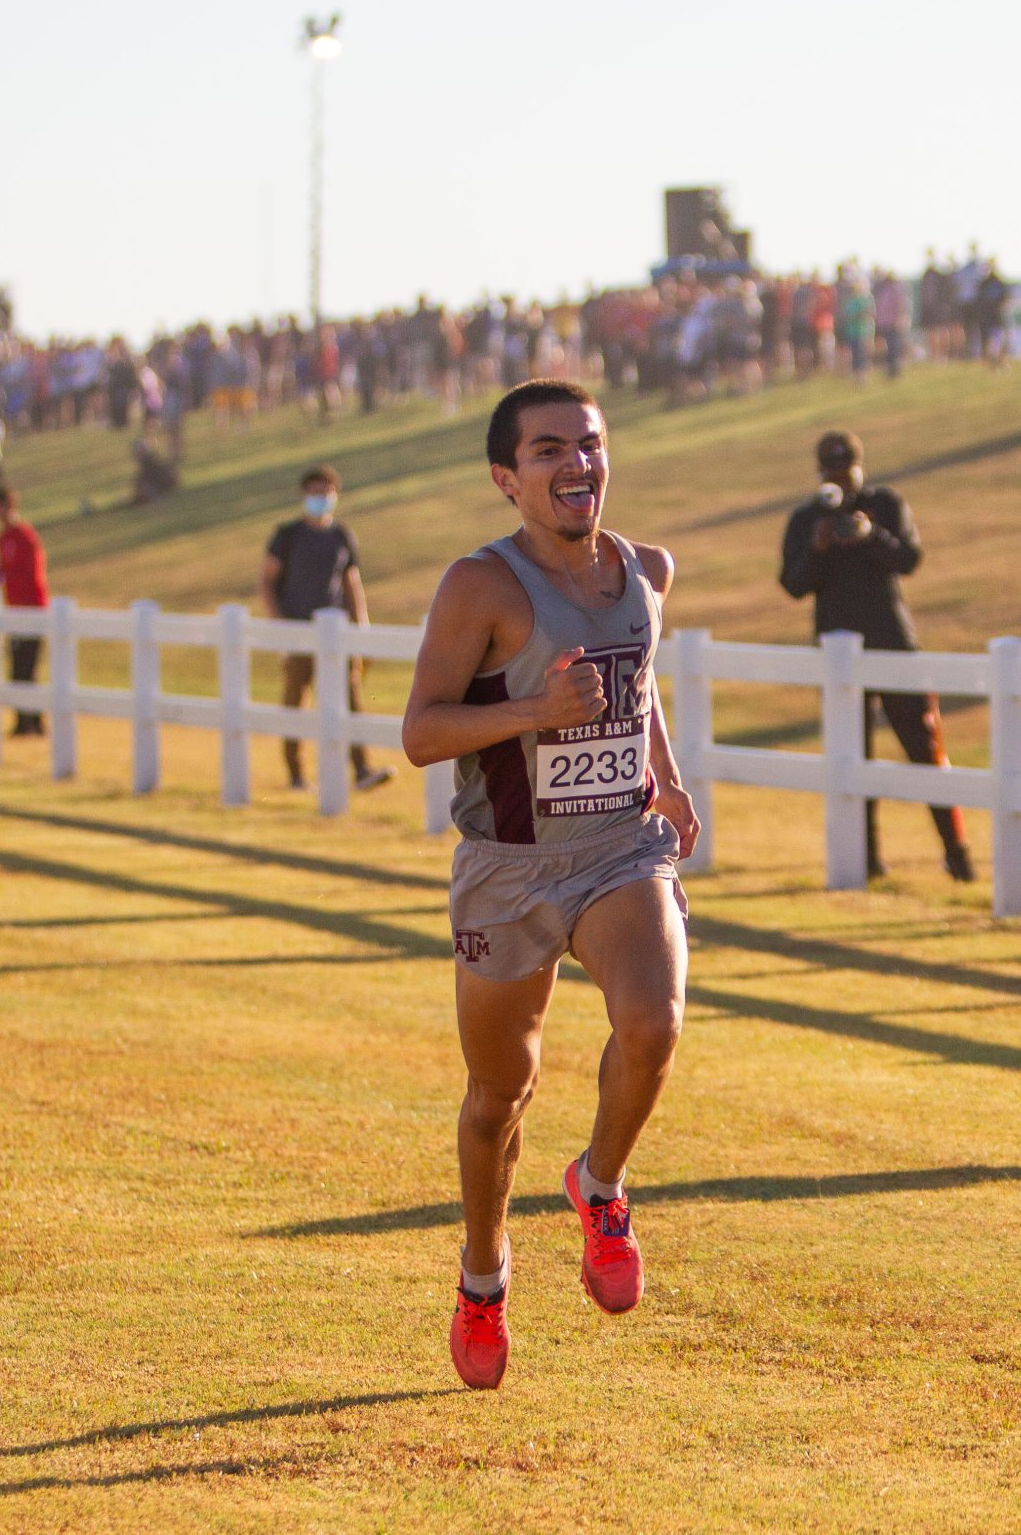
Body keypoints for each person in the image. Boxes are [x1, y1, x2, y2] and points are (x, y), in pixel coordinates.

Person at [400, 378, 698, 1392]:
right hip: (508, 869)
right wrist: (533, 711)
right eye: (548, 450)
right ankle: (482, 1278)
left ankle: (600, 1187)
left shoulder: (645, 571)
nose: (577, 463)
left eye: (590, 444)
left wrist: (667, 775)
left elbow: (637, 679)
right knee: (498, 1096)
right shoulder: (478, 588)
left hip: (619, 848)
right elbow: (420, 733)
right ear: (505, 478)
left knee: (653, 1025)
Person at [778, 430, 974, 883]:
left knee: (925, 749)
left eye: (845, 471)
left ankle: (955, 850)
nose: (839, 480)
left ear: (859, 468)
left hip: (892, 643)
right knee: (851, 755)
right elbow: (792, 583)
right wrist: (819, 547)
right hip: (838, 652)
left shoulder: (885, 505)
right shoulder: (808, 519)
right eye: (830, 472)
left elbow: (909, 558)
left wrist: (871, 535)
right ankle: (865, 857)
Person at [262, 467, 392, 793]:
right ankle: (295, 774)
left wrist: (361, 629)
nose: (320, 499)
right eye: (314, 492)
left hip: (338, 633)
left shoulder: (342, 536)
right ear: (304, 495)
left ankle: (361, 769)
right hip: (298, 632)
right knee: (296, 700)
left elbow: (352, 584)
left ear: (335, 494)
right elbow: (267, 581)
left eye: (326, 492)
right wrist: (279, 626)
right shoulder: (287, 535)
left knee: (350, 698)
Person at [0, 486, 48, 737]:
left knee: (28, 668)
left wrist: (3, 575)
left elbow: (32, 575)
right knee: (16, 669)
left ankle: (34, 723)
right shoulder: (3, 539)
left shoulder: (25, 536)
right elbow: (6, 571)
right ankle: (23, 723)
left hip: (32, 610)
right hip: (13, 610)